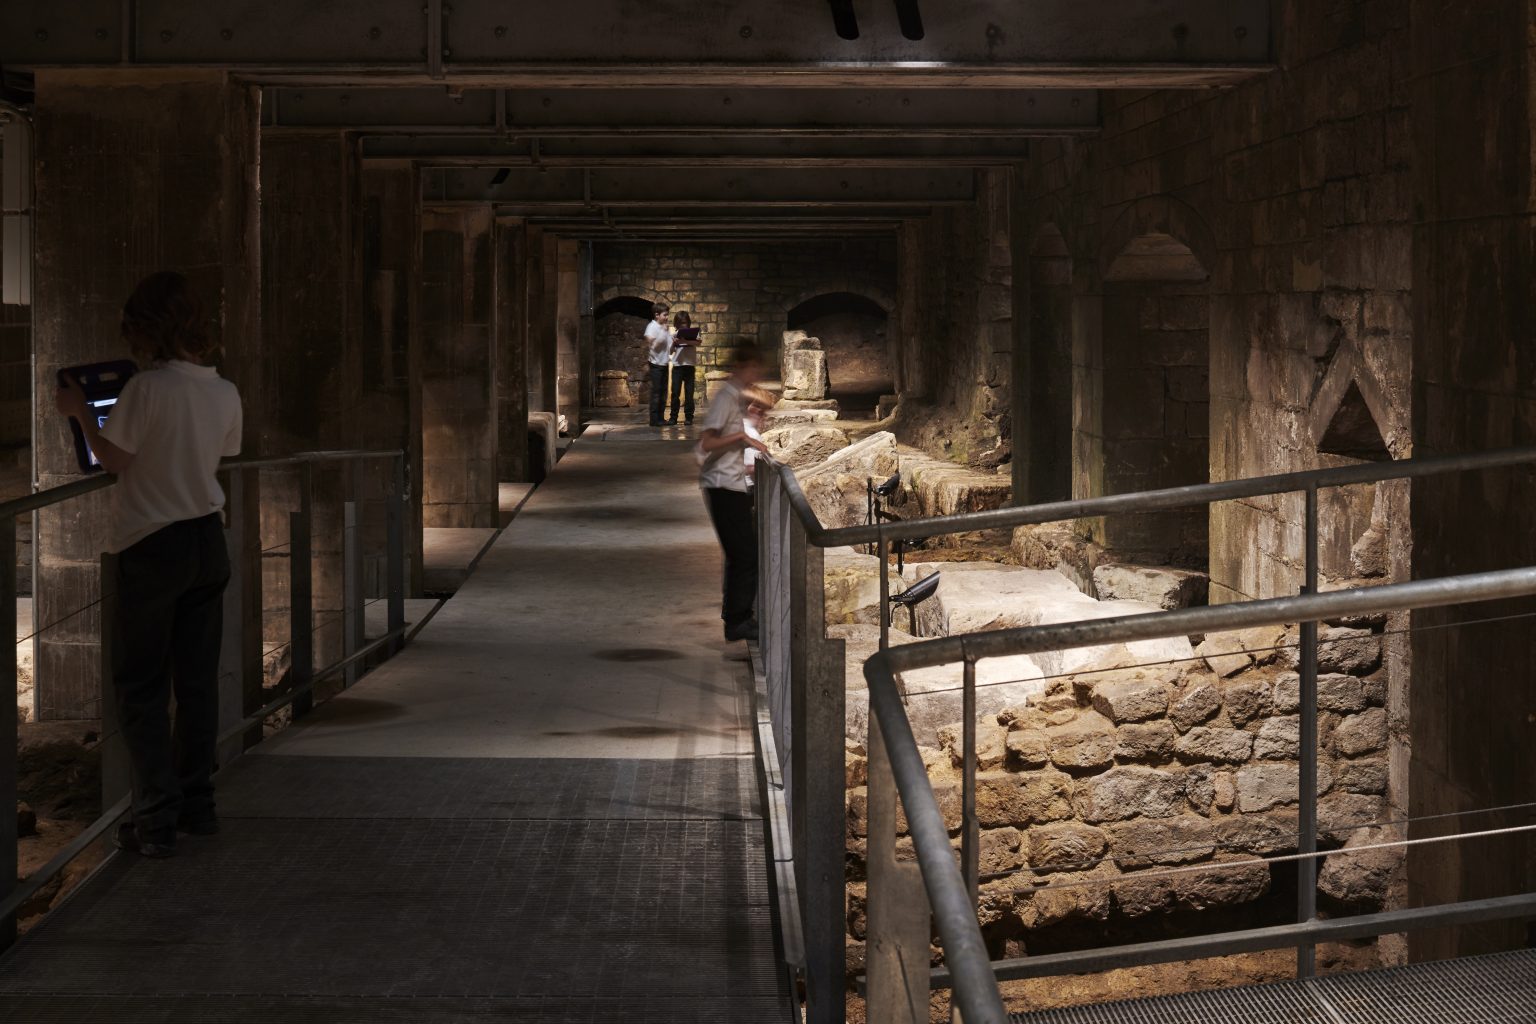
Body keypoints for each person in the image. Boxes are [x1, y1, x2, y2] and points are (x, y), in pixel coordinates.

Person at [54, 272, 243, 858]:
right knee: (196, 684)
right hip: (208, 540)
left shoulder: (145, 389)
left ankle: (156, 819)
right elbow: (223, 454)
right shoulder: (225, 391)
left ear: (147, 327)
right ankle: (198, 805)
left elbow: (113, 459)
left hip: (152, 543)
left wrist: (82, 413)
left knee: (139, 686)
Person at [698, 345, 769, 643]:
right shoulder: (725, 398)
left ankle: (735, 617)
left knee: (740, 554)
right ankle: (739, 621)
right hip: (722, 485)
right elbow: (707, 443)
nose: (757, 375)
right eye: (754, 368)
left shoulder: (735, 398)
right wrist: (742, 438)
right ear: (742, 366)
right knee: (745, 555)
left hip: (731, 482)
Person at [741, 385, 777, 489]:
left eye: (764, 408)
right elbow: (752, 468)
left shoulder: (746, 428)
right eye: (756, 406)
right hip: (749, 487)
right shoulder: (750, 431)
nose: (760, 411)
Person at [667, 311, 699, 426]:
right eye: (680, 323)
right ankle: (673, 417)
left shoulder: (694, 333)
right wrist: (673, 343)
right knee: (675, 393)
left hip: (689, 366)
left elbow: (698, 343)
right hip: (677, 367)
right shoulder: (674, 334)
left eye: (684, 323)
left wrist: (685, 341)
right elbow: (670, 352)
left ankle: (689, 417)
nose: (683, 325)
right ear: (677, 324)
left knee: (689, 393)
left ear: (688, 322)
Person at [643, 302, 672, 427]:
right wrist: (663, 333)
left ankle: (661, 418)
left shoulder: (664, 327)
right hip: (656, 364)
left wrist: (673, 339)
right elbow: (652, 344)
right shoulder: (652, 326)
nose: (667, 317)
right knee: (656, 392)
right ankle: (654, 420)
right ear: (657, 315)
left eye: (667, 315)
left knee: (663, 392)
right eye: (665, 315)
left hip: (664, 363)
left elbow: (669, 345)